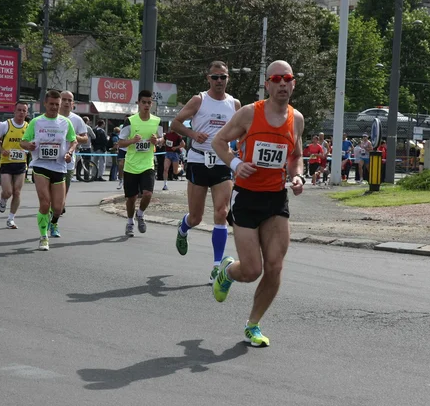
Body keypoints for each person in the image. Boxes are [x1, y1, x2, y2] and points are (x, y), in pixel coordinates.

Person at [210, 60, 305, 347]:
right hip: (247, 197)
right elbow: (218, 142)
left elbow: (295, 156)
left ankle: (253, 324)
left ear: (293, 84)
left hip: (276, 198)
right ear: (267, 84)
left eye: (287, 79)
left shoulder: (297, 119)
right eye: (276, 79)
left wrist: (298, 176)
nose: (282, 84)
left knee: (274, 266)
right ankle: (227, 271)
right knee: (251, 270)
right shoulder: (250, 113)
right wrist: (236, 163)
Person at [170, 60, 241, 283]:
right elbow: (176, 123)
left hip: (222, 162)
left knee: (221, 212)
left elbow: (243, 131)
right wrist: (192, 135)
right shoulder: (199, 99)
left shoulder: (235, 104)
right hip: (199, 160)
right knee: (196, 217)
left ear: (228, 78)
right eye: (215, 77)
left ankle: (217, 265)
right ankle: (183, 228)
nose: (219, 81)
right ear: (208, 78)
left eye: (223, 77)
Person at [20, 90, 77, 251]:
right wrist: (28, 145)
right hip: (40, 166)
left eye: (56, 105)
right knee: (45, 203)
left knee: (58, 207)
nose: (54, 107)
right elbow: (22, 142)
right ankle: (43, 237)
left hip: (59, 167)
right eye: (51, 104)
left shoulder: (66, 122)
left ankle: (53, 222)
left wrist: (69, 152)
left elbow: (73, 141)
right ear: (45, 104)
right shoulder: (36, 122)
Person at [117, 90, 163, 237]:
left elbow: (161, 140)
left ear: (152, 104)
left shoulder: (157, 121)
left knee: (148, 194)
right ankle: (130, 221)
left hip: (147, 165)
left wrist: (158, 141)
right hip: (131, 166)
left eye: (149, 102)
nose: (146, 105)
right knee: (131, 198)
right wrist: (132, 141)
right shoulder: (130, 121)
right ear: (138, 103)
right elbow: (120, 143)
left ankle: (141, 213)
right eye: (144, 102)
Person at [0, 102, 30, 229]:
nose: (21, 113)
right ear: (14, 111)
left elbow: (32, 143)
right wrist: (2, 149)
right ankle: (3, 199)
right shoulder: (5, 125)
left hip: (21, 163)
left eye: (24, 111)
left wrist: (29, 148)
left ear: (27, 113)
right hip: (6, 162)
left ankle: (11, 219)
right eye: (19, 110)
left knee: (17, 192)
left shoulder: (28, 127)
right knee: (8, 192)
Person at [59, 91, 88, 217]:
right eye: (64, 99)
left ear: (73, 103)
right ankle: (56, 204)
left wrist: (73, 136)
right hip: (51, 159)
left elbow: (85, 138)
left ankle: (60, 203)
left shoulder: (77, 119)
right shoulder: (52, 117)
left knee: (65, 185)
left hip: (68, 160)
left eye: (69, 100)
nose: (66, 102)